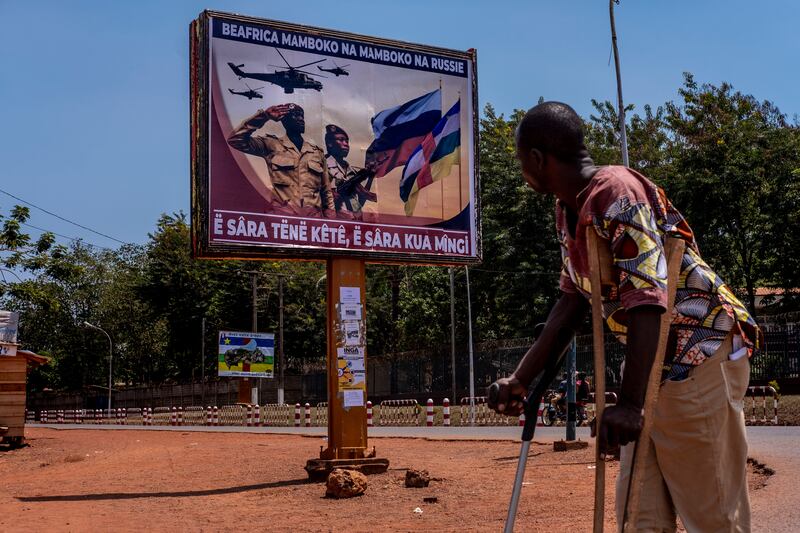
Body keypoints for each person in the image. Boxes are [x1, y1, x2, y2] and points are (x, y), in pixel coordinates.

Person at [488, 101, 761, 532]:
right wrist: (521, 378)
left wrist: (631, 404)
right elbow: (572, 301)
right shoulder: (569, 210)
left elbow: (649, 299)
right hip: (654, 369)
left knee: (713, 517)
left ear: (537, 160)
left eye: (522, 161)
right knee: (639, 517)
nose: (523, 171)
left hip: (697, 356)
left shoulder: (617, 194)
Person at [227, 103, 334, 214]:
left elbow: (326, 192)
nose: (301, 119)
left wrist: (331, 220)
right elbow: (235, 140)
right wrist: (264, 116)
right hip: (282, 221)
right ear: (284, 120)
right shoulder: (272, 145)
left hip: (313, 222)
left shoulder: (316, 153)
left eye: (302, 116)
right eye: (296, 115)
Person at [324, 124, 377, 215]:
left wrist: (370, 177)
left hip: (354, 222)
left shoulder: (351, 171)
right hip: (335, 222)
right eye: (341, 140)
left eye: (347, 141)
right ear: (330, 143)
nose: (346, 144)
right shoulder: (323, 165)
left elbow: (360, 202)